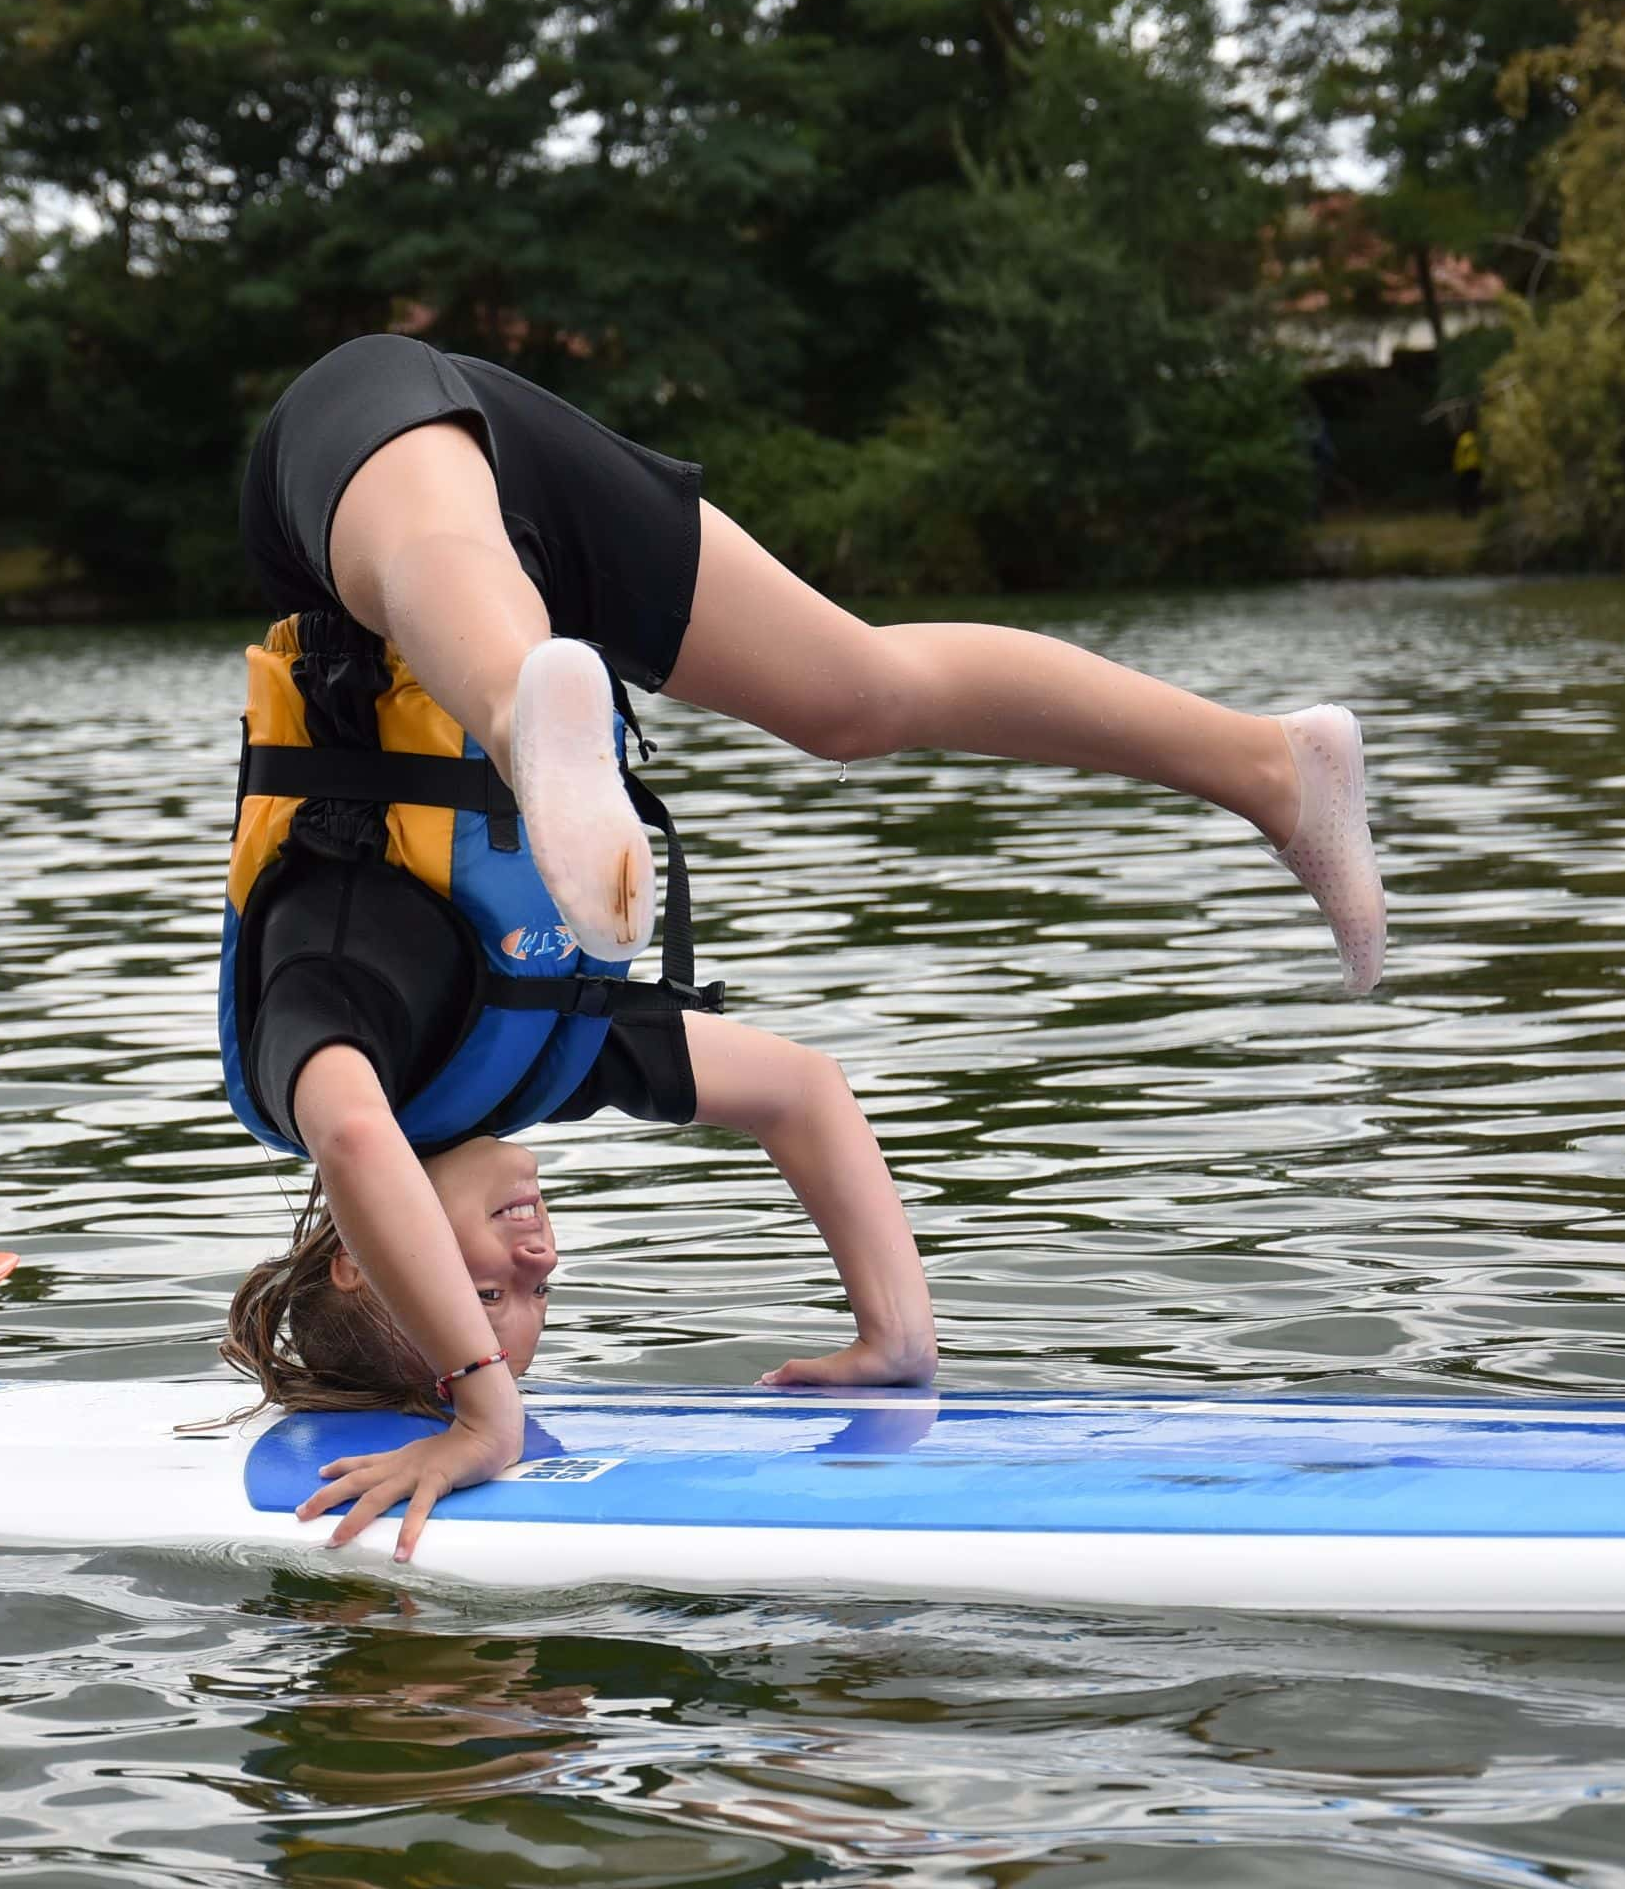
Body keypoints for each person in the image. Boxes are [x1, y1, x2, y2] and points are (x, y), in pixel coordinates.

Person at [216, 334, 1385, 1560]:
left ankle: (527, 718)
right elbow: (803, 1093)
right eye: (535, 1298)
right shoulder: (557, 1056)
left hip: (351, 444)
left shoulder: (337, 1027)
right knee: (854, 696)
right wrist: (898, 1340)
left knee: (426, 557)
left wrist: (481, 1410)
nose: (538, 1256)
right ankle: (1272, 767)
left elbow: (356, 1138)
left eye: (488, 1293)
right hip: (541, 517)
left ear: (361, 1259)